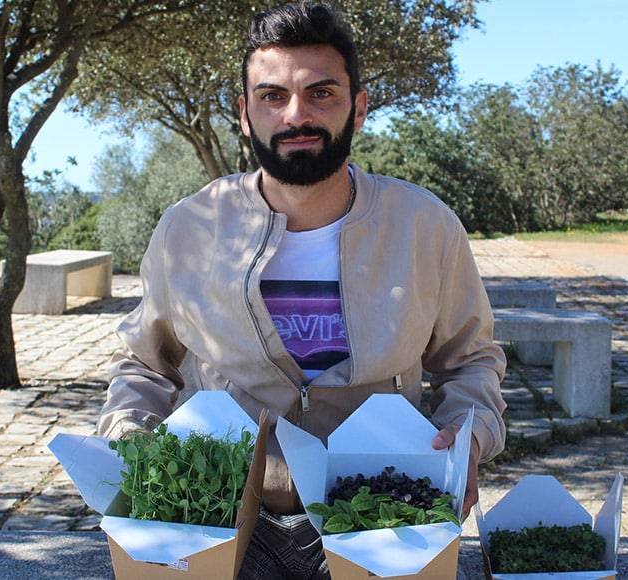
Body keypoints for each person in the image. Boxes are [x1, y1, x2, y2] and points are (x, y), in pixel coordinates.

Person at [97, 3, 507, 578]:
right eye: (272, 96)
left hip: (381, 513)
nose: (296, 115)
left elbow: (471, 361)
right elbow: (143, 366)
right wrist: (128, 445)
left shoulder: (425, 226)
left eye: (322, 93)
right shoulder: (187, 229)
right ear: (244, 114)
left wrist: (469, 438)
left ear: (358, 108)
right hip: (228, 514)